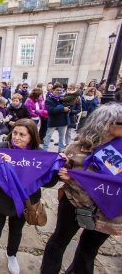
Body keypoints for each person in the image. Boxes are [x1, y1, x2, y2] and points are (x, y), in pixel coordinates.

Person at [41, 103, 122, 274]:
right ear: (107, 124)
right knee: (59, 241)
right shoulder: (77, 147)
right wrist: (63, 172)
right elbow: (57, 174)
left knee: (88, 251)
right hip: (75, 204)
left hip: (110, 212)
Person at [0, 118, 59, 274]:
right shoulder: (3, 147)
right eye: (15, 133)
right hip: (0, 198)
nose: (16, 137)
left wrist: (57, 171)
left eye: (22, 135)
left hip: (25, 200)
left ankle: (12, 255)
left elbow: (48, 182)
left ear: (32, 137)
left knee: (16, 230)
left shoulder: (40, 155)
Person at [43, 85, 70, 152]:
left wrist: (68, 109)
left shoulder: (64, 99)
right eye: (57, 90)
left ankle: (61, 150)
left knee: (62, 137)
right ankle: (45, 150)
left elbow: (69, 107)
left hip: (63, 121)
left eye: (60, 90)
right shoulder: (49, 99)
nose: (59, 91)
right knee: (48, 136)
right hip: (53, 121)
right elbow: (50, 110)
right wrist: (62, 108)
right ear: (53, 90)